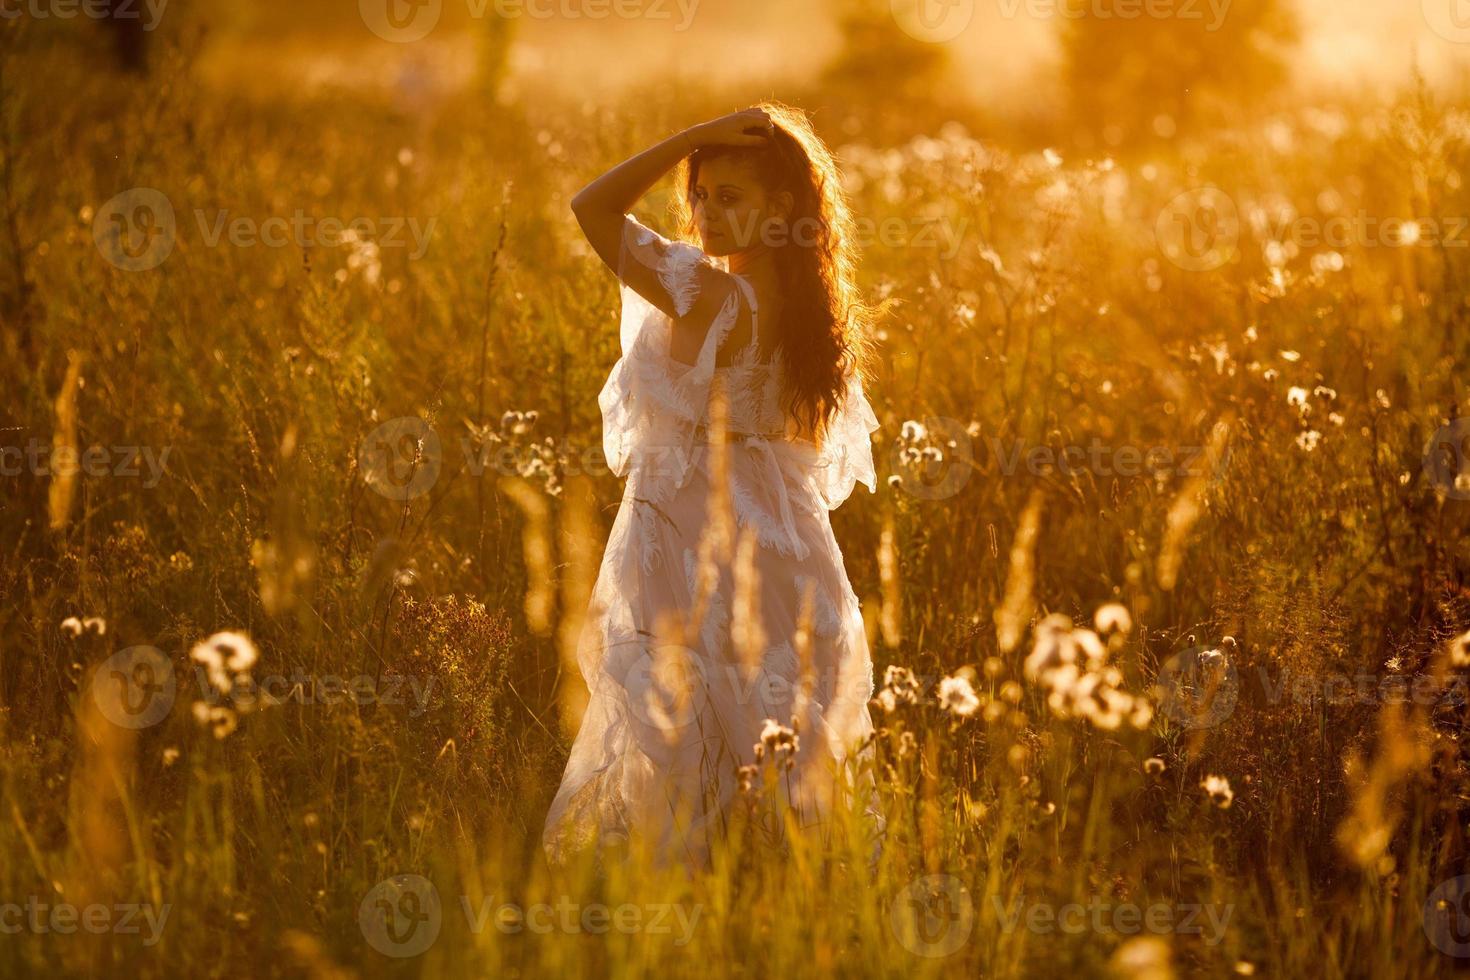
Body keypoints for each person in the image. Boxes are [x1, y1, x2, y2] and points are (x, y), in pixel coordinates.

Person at [544, 102, 887, 876]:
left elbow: (592, 206)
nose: (706, 213)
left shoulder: (705, 292)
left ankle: (702, 879)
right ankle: (775, 878)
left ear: (782, 210)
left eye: (731, 197)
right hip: (785, 534)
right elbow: (799, 449)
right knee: (766, 708)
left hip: (692, 522)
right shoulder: (813, 311)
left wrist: (688, 139)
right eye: (700, 194)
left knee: (687, 709)